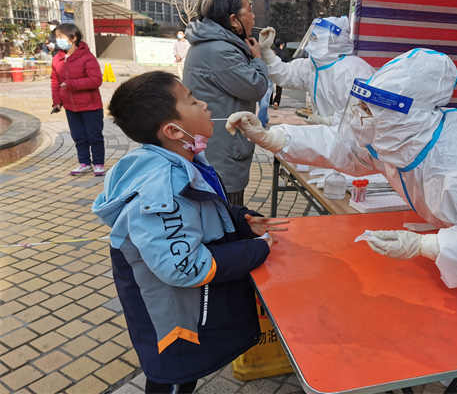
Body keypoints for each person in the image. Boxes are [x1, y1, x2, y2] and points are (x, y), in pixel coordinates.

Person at [226, 48, 457, 394]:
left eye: (372, 108)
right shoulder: (399, 134)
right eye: (363, 104)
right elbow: (348, 149)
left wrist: (426, 244)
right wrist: (275, 137)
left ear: (407, 112)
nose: (361, 115)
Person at [93, 71, 289, 394]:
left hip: (187, 308)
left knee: (182, 377)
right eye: (192, 101)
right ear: (173, 131)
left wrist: (240, 221)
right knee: (173, 381)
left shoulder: (182, 159)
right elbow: (185, 266)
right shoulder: (163, 190)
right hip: (174, 323)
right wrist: (257, 249)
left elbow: (200, 214)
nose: (205, 105)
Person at [183, 0, 268, 206]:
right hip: (222, 149)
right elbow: (256, 87)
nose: (253, 16)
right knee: (228, 211)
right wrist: (258, 58)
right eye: (249, 10)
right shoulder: (220, 50)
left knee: (217, 210)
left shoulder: (210, 44)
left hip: (214, 144)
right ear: (233, 20)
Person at [259, 16, 375, 126]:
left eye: (316, 38)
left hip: (351, 138)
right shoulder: (314, 66)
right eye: (312, 38)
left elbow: (367, 114)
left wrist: (331, 121)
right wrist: (266, 51)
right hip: (326, 136)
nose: (312, 43)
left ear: (333, 41)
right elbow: (285, 73)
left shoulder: (355, 71)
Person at [50, 23, 105, 176]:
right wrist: (57, 102)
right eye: (56, 36)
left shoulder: (87, 57)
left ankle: (98, 164)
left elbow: (96, 80)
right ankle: (84, 163)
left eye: (61, 36)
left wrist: (71, 84)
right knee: (79, 137)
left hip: (90, 106)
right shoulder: (57, 59)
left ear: (73, 38)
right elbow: (55, 82)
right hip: (71, 107)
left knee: (94, 136)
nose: (58, 40)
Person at [269, 38, 290, 110]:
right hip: (280, 73)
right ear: (281, 45)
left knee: (270, 87)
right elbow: (287, 63)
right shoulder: (283, 53)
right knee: (279, 88)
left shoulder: (271, 52)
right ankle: (276, 102)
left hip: (271, 72)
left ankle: (269, 101)